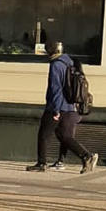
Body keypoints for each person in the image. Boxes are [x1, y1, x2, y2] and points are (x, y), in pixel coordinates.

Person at [26, 40, 98, 174]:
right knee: (65, 136)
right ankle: (86, 156)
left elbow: (56, 89)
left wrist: (56, 110)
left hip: (57, 106)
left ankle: (41, 163)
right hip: (72, 107)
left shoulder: (56, 65)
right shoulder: (71, 62)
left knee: (44, 134)